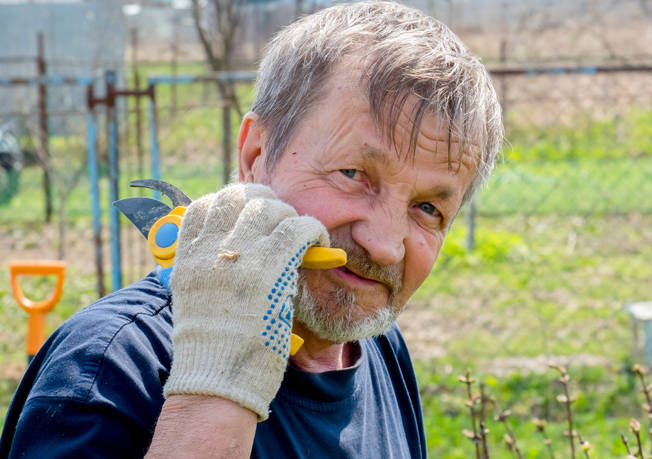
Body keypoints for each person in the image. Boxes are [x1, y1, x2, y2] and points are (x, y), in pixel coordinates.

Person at [0, 2, 502, 457]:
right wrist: (214, 388)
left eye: (428, 209)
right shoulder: (109, 369)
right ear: (255, 155)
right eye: (353, 175)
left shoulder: (378, 349)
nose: (387, 246)